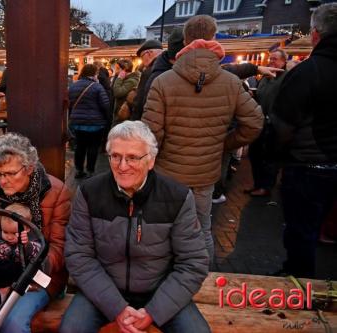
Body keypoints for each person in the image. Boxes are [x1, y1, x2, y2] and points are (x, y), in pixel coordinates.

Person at [59, 121, 210, 333]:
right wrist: (117, 308)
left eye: (132, 157)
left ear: (150, 160)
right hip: (104, 289)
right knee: (70, 330)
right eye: (115, 156)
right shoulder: (90, 193)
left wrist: (153, 313)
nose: (122, 166)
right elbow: (79, 255)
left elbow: (193, 262)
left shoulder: (177, 197)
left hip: (159, 291)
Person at [142, 15, 264, 261]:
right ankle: (202, 281)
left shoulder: (163, 82)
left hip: (167, 175)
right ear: (214, 38)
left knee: (164, 231)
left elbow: (150, 134)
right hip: (205, 175)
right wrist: (223, 144)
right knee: (201, 230)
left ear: (185, 40)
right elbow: (255, 122)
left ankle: (165, 283)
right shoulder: (231, 82)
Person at [0, 132, 71, 333]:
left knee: (12, 323)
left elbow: (59, 247)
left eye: (10, 173)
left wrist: (26, 268)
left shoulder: (56, 192)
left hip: (39, 277)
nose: (3, 181)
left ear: (29, 168)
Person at [270, 3, 337, 278]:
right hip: (326, 163)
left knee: (302, 232)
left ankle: (298, 285)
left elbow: (282, 126)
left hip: (309, 166)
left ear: (316, 34)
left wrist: (274, 158)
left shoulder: (308, 72)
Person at [245, 49, 287, 197]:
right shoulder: (265, 77)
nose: (271, 61)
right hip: (259, 121)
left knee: (269, 156)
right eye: (270, 59)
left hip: (273, 125)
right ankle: (257, 184)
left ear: (283, 61)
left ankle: (266, 186)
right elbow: (262, 95)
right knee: (254, 153)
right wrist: (253, 93)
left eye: (275, 59)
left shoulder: (286, 78)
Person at [0, 203, 41, 287]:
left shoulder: (32, 238)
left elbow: (37, 252)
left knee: (15, 270)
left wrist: (26, 245)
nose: (9, 237)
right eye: (5, 232)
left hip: (13, 270)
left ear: (27, 229)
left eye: (14, 233)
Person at [68, 64, 110, 179]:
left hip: (78, 123)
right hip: (95, 124)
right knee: (93, 147)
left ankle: (79, 170)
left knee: (80, 147)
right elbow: (105, 104)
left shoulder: (73, 86)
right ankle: (90, 171)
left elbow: (70, 104)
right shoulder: (97, 87)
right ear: (93, 74)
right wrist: (106, 119)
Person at [131, 39, 163, 120]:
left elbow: (140, 101)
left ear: (149, 53)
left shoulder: (149, 72)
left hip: (150, 118)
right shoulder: (171, 66)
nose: (142, 61)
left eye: (142, 56)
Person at [112, 59, 141, 125]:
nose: (115, 71)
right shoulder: (125, 78)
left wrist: (119, 78)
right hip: (119, 112)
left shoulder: (132, 81)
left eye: (117, 68)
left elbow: (117, 93)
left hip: (124, 114)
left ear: (124, 70)